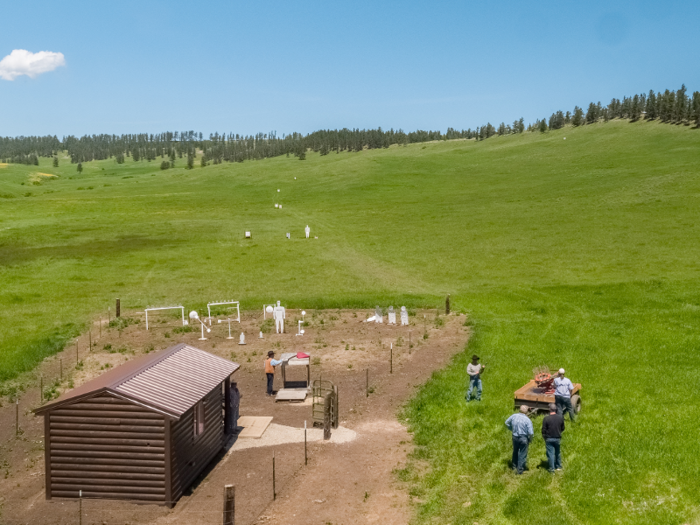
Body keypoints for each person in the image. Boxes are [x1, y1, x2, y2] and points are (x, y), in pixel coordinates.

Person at [505, 405, 533, 474]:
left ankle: (514, 466)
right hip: (523, 438)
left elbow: (506, 422)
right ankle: (520, 470)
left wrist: (511, 428)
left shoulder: (514, 416)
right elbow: (531, 432)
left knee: (515, 451)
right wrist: (530, 439)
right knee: (522, 453)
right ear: (526, 412)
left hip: (515, 436)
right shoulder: (527, 420)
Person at [542, 403, 564, 472]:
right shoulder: (560, 418)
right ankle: (558, 466)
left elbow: (543, 430)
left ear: (549, 409)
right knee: (558, 452)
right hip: (557, 438)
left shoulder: (546, 418)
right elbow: (563, 428)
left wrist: (544, 437)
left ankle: (552, 469)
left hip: (549, 438)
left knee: (550, 453)